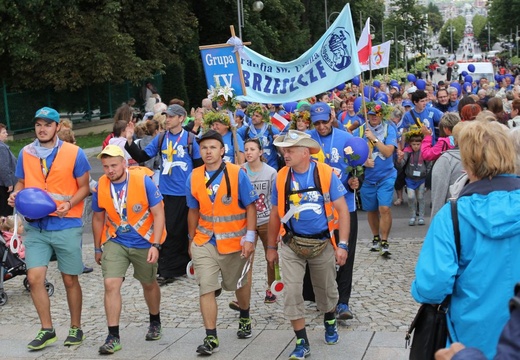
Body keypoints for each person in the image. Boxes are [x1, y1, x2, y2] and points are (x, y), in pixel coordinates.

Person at [411, 121, 520, 359]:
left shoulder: (452, 216)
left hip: (469, 339)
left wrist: (417, 288)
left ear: (468, 164)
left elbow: (432, 287)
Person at [8, 106, 91, 350]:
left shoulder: (75, 153)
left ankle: (76, 327)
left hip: (66, 224)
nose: (42, 129)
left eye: (47, 124)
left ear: (57, 128)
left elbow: (84, 187)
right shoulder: (26, 152)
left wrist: (70, 203)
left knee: (69, 279)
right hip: (35, 227)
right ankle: (47, 329)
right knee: (34, 279)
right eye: (38, 125)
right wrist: (16, 194)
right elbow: (22, 182)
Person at [266, 130, 350, 359]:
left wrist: (342, 245)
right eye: (284, 149)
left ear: (305, 152)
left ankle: (330, 319)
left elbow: (343, 210)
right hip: (291, 244)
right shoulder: (281, 177)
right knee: (292, 291)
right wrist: (271, 248)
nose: (285, 153)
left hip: (322, 243)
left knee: (326, 290)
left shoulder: (325, 173)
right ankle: (302, 340)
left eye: (290, 150)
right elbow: (275, 215)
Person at [186, 130, 258, 356]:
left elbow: (251, 206)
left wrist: (250, 237)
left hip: (235, 242)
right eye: (204, 147)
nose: (208, 151)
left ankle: (244, 315)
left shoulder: (237, 173)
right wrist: (191, 240)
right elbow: (193, 210)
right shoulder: (194, 176)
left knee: (240, 283)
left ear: (222, 150)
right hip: (205, 241)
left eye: (213, 147)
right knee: (206, 287)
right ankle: (210, 337)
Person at [91, 145, 166, 355]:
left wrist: (156, 244)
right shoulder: (101, 186)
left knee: (148, 283)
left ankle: (155, 320)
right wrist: (98, 247)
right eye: (105, 166)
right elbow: (97, 218)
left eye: (114, 165)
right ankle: (113, 336)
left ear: (125, 163)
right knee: (110, 283)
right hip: (116, 240)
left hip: (144, 241)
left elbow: (159, 214)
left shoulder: (143, 181)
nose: (109, 170)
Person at [125, 104, 202, 285]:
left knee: (183, 230)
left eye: (171, 116)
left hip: (186, 193)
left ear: (181, 118)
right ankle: (167, 269)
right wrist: (129, 141)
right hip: (166, 192)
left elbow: (199, 167)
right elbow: (142, 156)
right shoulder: (161, 139)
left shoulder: (191, 139)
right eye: (166, 116)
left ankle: (182, 265)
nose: (167, 119)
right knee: (169, 230)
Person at [307, 102, 360, 320]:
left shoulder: (345, 138)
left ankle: (343, 303)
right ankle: (323, 297)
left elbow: (355, 165)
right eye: (317, 122)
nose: (321, 127)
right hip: (318, 210)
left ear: (332, 117)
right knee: (320, 257)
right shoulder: (307, 140)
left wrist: (356, 181)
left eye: (324, 121)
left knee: (345, 255)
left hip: (345, 207)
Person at [229, 137, 278, 311]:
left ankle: (272, 288)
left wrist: (277, 224)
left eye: (252, 149)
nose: (248, 153)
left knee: (271, 255)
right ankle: (242, 298)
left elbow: (275, 199)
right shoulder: (239, 171)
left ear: (260, 152)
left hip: (266, 220)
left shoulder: (271, 172)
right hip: (247, 222)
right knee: (244, 259)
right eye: (246, 149)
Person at [357, 104, 398, 255]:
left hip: (387, 176)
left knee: (384, 208)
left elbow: (388, 152)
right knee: (372, 210)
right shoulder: (361, 130)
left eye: (377, 114)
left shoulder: (389, 128)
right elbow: (350, 152)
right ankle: (376, 237)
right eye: (371, 114)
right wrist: (362, 161)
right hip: (368, 179)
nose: (374, 117)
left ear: (382, 115)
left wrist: (373, 139)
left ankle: (385, 240)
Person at [399, 132, 430, 226]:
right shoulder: (407, 152)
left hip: (422, 178)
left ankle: (421, 216)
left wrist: (428, 180)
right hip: (410, 179)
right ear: (410, 144)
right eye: (413, 144)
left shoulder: (424, 152)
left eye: (418, 144)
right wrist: (400, 159)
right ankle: (412, 216)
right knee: (411, 197)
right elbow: (401, 165)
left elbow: (429, 165)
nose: (416, 146)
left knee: (420, 197)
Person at [238, 104, 281, 170]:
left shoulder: (272, 130)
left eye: (257, 116)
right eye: (253, 115)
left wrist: (278, 141)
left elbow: (281, 149)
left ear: (263, 118)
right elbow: (234, 134)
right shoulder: (246, 130)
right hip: (252, 168)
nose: (253, 117)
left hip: (271, 167)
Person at [0, 123, 17, 217]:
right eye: (3, 132)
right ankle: (4, 229)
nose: (6, 134)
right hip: (4, 185)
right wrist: (9, 183)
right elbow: (3, 167)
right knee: (6, 210)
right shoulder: (2, 148)